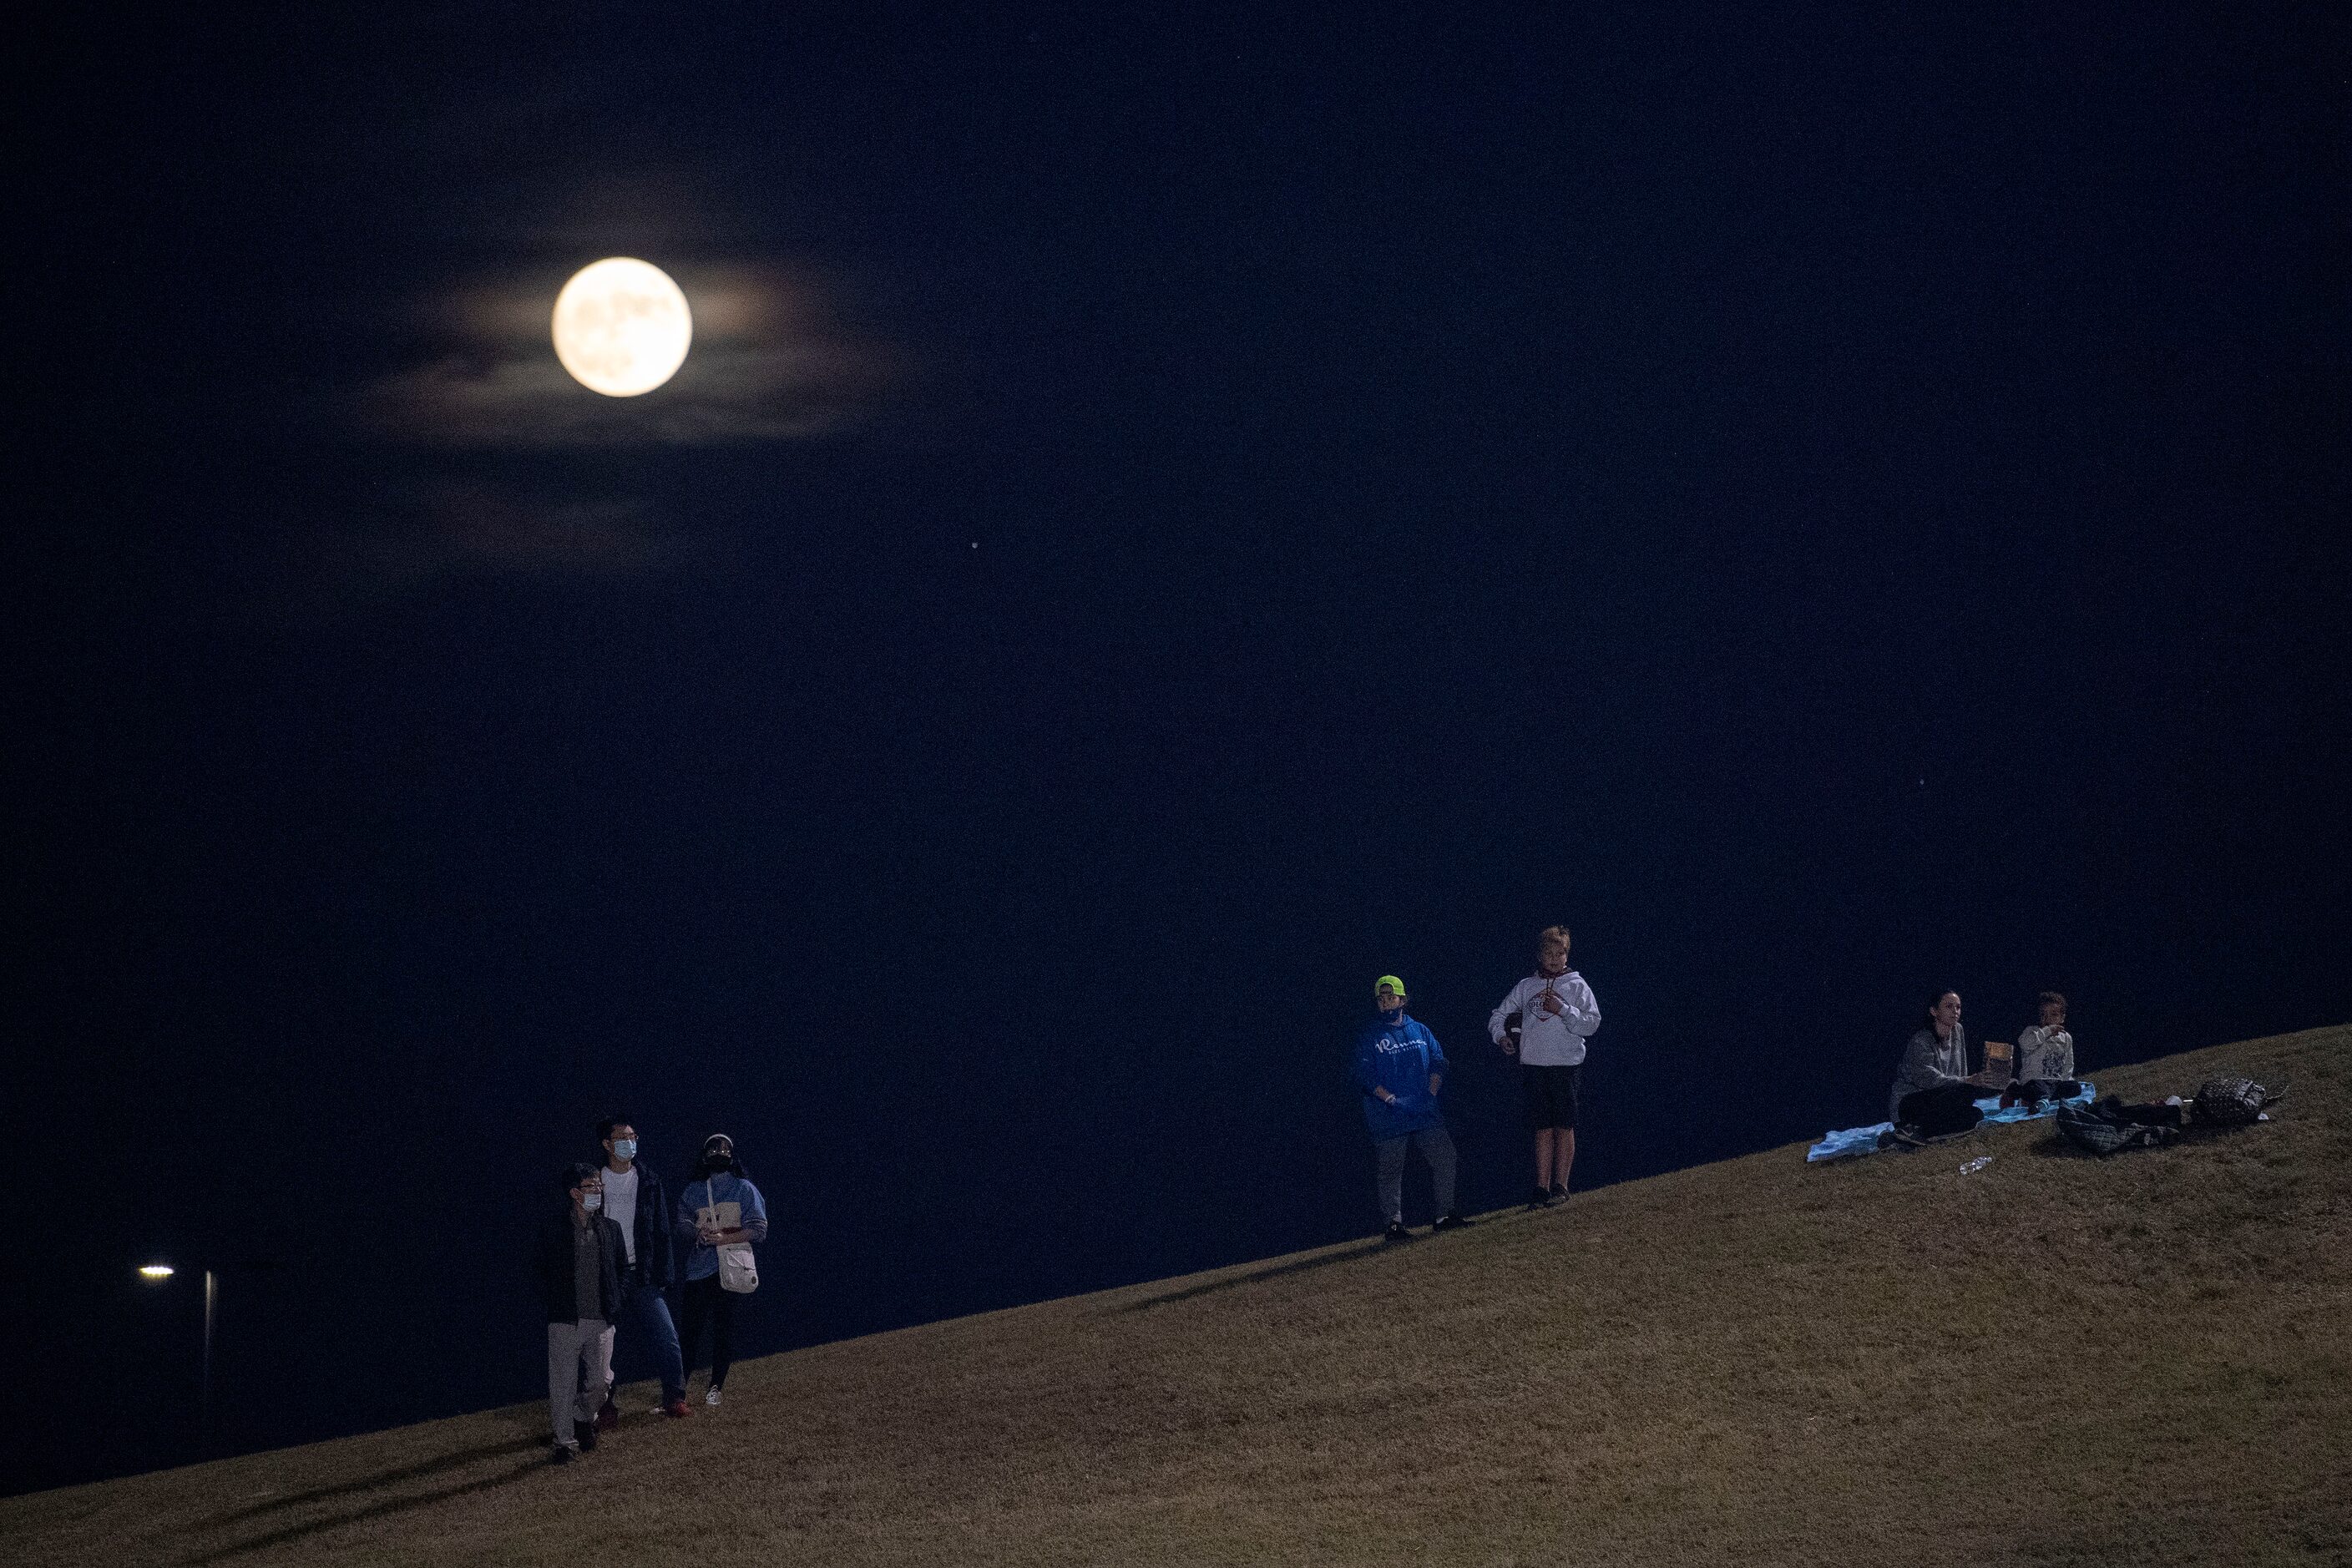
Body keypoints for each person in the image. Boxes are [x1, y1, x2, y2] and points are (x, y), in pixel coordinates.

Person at [1488, 925, 1603, 1208]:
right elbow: (1498, 1014)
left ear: (1567, 955)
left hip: (1565, 1065)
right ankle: (1541, 1188)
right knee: (1542, 1127)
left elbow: (1592, 1023)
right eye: (1549, 953)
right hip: (1534, 1066)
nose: (1554, 958)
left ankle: (1561, 1186)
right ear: (1540, 955)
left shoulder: (1577, 986)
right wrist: (1501, 1036)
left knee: (1564, 1125)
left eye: (1560, 953)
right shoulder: (1527, 986)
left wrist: (1563, 1010)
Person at [1353, 974, 1472, 1241]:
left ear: (1403, 999)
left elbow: (1439, 1061)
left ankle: (1444, 1215)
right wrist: (1391, 1100)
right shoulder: (1371, 1036)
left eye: (1390, 997)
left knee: (1445, 1157)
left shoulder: (1420, 1030)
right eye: (1381, 999)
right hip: (1389, 1115)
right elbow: (1364, 1075)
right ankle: (1394, 1224)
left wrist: (1431, 1092)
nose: (1385, 1004)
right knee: (1391, 1170)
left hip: (1423, 1112)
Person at [589, 1118, 689, 1424]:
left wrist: (664, 1275)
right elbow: (586, 1224)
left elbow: (661, 1230)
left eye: (633, 1137)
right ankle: (605, 1406)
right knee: (602, 1346)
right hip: (608, 1275)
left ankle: (675, 1397)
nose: (629, 1143)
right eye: (622, 1138)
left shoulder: (648, 1180)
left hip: (642, 1273)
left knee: (666, 1336)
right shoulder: (594, 1180)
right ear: (607, 1144)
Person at [535, 1162, 624, 1463]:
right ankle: (564, 1443)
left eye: (599, 1186)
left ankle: (584, 1416)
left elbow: (621, 1269)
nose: (597, 1191)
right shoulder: (553, 1229)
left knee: (601, 1381)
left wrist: (615, 1299)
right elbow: (539, 1271)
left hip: (600, 1319)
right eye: (590, 1187)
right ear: (575, 1192)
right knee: (562, 1384)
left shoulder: (610, 1229)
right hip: (565, 1319)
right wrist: (554, 1303)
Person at [675, 1134, 769, 1407]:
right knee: (689, 1332)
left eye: (725, 1147)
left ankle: (716, 1386)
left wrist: (723, 1238)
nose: (720, 1151)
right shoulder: (693, 1191)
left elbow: (759, 1229)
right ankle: (677, 1392)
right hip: (698, 1270)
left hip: (730, 1268)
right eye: (714, 1148)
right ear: (704, 1156)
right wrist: (697, 1233)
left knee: (723, 1329)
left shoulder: (744, 1189)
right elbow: (681, 1223)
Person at [1889, 990, 1983, 1137]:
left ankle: (1918, 1132)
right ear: (1934, 1011)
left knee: (1974, 1114)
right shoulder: (1921, 1040)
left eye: (1958, 1007)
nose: (1955, 1011)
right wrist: (1965, 1081)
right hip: (1910, 1102)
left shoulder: (1958, 1030)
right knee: (1966, 1091)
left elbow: (1960, 1069)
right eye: (1949, 1006)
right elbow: (1926, 1079)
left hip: (1940, 1097)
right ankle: (1907, 1128)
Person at [2010, 992, 2081, 1104]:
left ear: (2062, 1018)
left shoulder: (2066, 1037)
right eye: (2044, 1014)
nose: (2048, 1018)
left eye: (2053, 1014)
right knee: (2035, 1088)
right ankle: (2019, 1091)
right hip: (2036, 1080)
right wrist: (2046, 1032)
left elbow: (2069, 1062)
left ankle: (2041, 1099)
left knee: (2075, 1087)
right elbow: (2025, 1045)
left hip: (2056, 1082)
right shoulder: (2033, 1031)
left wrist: (2064, 1080)